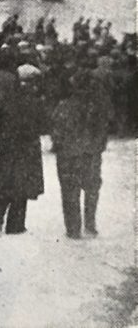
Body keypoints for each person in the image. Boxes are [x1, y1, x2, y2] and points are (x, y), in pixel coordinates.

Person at [51, 69, 109, 239]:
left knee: (69, 192)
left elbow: (56, 131)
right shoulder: (97, 107)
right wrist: (96, 148)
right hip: (90, 154)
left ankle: (73, 229)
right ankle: (90, 225)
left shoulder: (63, 106)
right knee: (91, 190)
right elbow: (103, 132)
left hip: (68, 155)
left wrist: (60, 147)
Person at [0, 64, 46, 235]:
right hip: (27, 150)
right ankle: (15, 225)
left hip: (8, 148)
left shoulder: (5, 99)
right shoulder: (34, 101)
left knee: (5, 183)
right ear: (31, 82)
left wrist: (2, 140)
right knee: (22, 186)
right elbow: (42, 124)